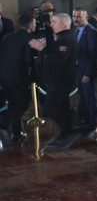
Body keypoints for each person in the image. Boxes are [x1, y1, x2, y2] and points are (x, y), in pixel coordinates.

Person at [29, 13, 79, 150]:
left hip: (61, 80)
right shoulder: (62, 37)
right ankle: (67, 131)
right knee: (61, 107)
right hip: (57, 79)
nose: (52, 24)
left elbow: (58, 58)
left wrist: (42, 48)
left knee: (50, 108)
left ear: (64, 24)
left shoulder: (66, 38)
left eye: (55, 22)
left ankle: (70, 130)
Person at [0, 14, 35, 142]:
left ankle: (17, 133)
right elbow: (27, 60)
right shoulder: (29, 38)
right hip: (18, 77)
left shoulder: (6, 37)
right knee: (22, 103)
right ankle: (5, 123)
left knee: (12, 104)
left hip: (3, 76)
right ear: (31, 25)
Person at [71, 8, 97, 138]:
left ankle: (93, 125)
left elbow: (93, 56)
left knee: (90, 99)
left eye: (79, 17)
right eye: (74, 16)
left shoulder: (91, 32)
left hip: (86, 72)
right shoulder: (75, 31)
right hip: (77, 70)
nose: (76, 19)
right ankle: (84, 123)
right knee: (83, 99)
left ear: (86, 17)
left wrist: (88, 74)